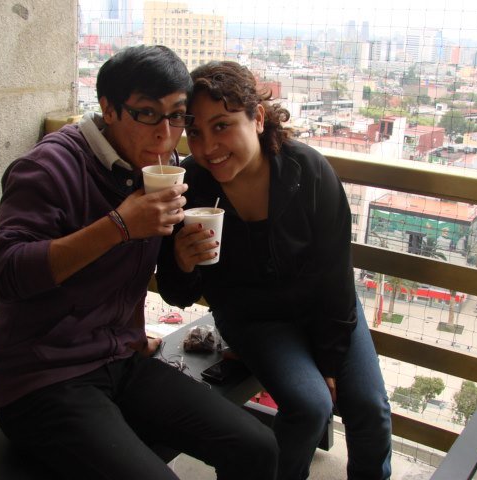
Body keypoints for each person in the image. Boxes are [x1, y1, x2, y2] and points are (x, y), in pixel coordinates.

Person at [0, 46, 278, 480]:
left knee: (257, 447)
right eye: (147, 114)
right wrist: (119, 226)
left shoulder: (160, 168)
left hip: (121, 361)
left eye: (176, 116)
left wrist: (182, 259)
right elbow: (5, 273)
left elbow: (166, 284)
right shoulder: (50, 167)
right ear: (108, 109)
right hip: (43, 377)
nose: (165, 134)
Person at [156, 61, 393, 480]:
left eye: (222, 125)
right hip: (253, 318)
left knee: (369, 408)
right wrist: (182, 259)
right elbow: (177, 293)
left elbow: (335, 275)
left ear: (258, 118)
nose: (208, 146)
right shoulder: (191, 185)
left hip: (325, 305)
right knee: (310, 405)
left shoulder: (307, 172)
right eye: (195, 131)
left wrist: (330, 363)